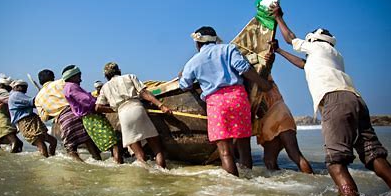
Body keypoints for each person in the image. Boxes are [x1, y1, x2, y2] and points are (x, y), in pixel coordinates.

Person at [270, 2, 391, 196]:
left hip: (334, 101)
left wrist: (278, 17)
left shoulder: (316, 46)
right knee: (374, 156)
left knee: (335, 163)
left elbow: (291, 38)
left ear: (313, 39)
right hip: (356, 100)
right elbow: (304, 65)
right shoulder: (335, 55)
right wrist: (279, 52)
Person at [179, 26, 272, 176]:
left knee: (225, 152)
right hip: (238, 98)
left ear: (197, 44)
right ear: (215, 40)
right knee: (244, 147)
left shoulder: (193, 62)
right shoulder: (228, 49)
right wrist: (262, 83)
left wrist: (182, 74)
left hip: (216, 105)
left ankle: (235, 189)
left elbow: (184, 85)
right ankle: (249, 182)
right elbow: (243, 68)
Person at [95, 62, 171, 168]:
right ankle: (163, 175)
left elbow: (98, 107)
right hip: (137, 109)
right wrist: (161, 105)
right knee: (157, 150)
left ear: (106, 76)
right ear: (119, 70)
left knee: (140, 156)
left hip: (123, 116)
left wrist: (115, 110)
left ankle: (147, 180)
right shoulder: (129, 76)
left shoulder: (104, 88)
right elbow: (144, 93)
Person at [35, 68, 101, 162]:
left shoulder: (38, 98)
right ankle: (98, 161)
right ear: (53, 77)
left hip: (64, 120)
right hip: (78, 113)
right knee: (88, 142)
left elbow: (44, 118)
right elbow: (78, 94)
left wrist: (53, 110)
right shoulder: (61, 82)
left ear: (40, 81)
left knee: (71, 149)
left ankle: (82, 168)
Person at [255, 71, 313, 173]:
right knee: (296, 155)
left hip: (270, 118)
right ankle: (313, 179)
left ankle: (278, 184)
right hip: (284, 113)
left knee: (269, 160)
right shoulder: (267, 77)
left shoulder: (256, 78)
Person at [62, 66, 122, 163]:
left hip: (89, 119)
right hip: (93, 118)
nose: (81, 79)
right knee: (114, 143)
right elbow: (87, 101)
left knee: (111, 143)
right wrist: (108, 105)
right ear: (72, 76)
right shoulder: (72, 86)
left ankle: (116, 163)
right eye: (78, 76)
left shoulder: (68, 87)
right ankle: (119, 166)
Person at [8, 79, 57, 157]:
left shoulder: (19, 95)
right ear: (16, 87)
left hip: (32, 120)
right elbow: (34, 102)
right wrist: (43, 95)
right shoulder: (16, 95)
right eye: (23, 87)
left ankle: (52, 158)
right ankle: (46, 162)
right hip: (26, 122)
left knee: (53, 141)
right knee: (41, 144)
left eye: (26, 87)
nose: (26, 89)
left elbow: (35, 104)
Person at [0, 87, 23, 152]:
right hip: (2, 119)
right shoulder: (1, 91)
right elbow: (12, 100)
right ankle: (12, 160)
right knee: (15, 142)